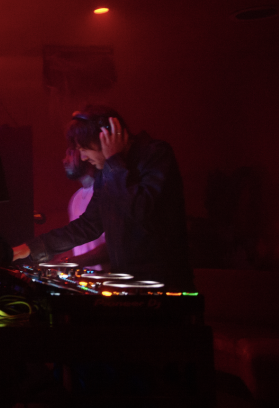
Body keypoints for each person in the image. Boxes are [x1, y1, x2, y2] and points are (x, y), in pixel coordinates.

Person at [12, 106, 193, 288]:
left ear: (105, 136)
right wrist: (30, 248)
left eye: (84, 149)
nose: (82, 157)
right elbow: (88, 225)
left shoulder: (155, 155)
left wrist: (114, 160)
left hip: (165, 286)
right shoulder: (107, 171)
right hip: (128, 284)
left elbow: (140, 210)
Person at [62, 146, 107, 267]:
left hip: (107, 280)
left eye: (70, 154)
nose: (64, 160)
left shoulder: (107, 192)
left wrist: (72, 262)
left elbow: (114, 244)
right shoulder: (75, 198)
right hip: (83, 281)